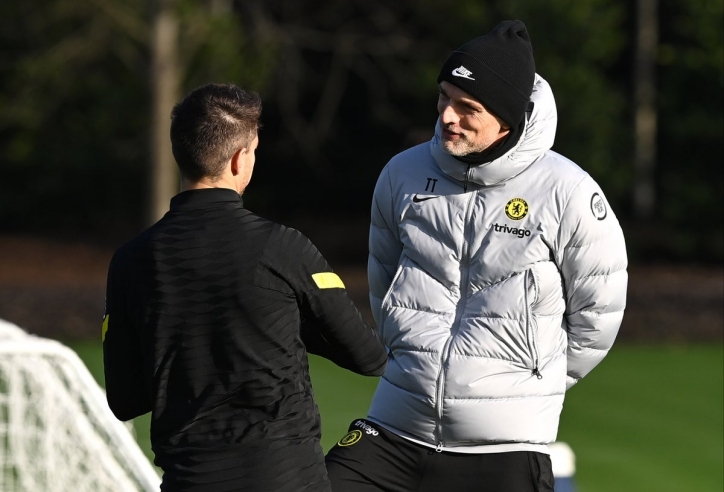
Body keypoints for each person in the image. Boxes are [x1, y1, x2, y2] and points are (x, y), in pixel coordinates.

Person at [325, 19, 627, 492]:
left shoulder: (568, 191)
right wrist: (411, 354)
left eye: (468, 108)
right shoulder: (401, 173)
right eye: (444, 98)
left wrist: (526, 382)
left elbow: (598, 317)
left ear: (508, 119)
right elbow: (384, 282)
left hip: (504, 446)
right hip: (395, 426)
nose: (448, 116)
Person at [102, 83, 388, 492]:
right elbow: (369, 356)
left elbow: (125, 399)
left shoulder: (129, 261)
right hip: (286, 479)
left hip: (189, 480)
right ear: (239, 159)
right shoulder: (284, 248)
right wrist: (287, 324)